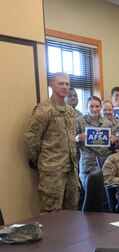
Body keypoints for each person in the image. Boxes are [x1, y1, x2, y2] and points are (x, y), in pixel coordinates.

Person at [24, 72, 78, 214]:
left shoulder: (71, 111)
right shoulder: (43, 110)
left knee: (72, 211)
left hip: (71, 169)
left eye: (67, 84)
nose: (65, 87)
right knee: (51, 213)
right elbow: (31, 138)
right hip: (52, 170)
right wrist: (39, 160)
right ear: (51, 85)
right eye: (61, 83)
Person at [74, 96, 116, 187]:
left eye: (97, 106)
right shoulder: (79, 122)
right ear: (86, 108)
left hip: (104, 162)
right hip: (87, 163)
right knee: (89, 193)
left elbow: (113, 147)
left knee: (103, 193)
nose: (94, 109)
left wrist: (114, 141)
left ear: (100, 107)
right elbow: (70, 144)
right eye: (91, 106)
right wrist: (76, 139)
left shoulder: (107, 123)